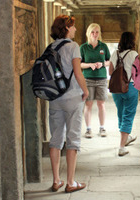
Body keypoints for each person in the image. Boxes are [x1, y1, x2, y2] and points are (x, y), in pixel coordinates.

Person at [49, 15, 89, 193]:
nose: (75, 29)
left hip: (55, 97)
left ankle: (56, 180)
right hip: (72, 97)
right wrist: (85, 90)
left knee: (56, 139)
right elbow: (78, 72)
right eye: (72, 27)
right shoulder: (73, 46)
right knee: (73, 140)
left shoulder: (51, 47)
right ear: (66, 28)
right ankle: (71, 182)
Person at [109, 32, 138, 156]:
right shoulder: (134, 54)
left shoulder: (114, 54)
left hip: (116, 88)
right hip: (130, 87)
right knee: (128, 115)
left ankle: (127, 137)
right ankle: (122, 147)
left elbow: (110, 72)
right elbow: (138, 75)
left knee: (121, 113)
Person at [80, 23, 110, 138]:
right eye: (93, 32)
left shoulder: (103, 46)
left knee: (101, 104)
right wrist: (90, 65)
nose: (95, 34)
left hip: (101, 78)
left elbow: (109, 61)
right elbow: (79, 64)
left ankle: (102, 128)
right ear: (89, 33)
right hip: (88, 79)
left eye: (97, 32)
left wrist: (101, 64)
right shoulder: (83, 47)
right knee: (88, 104)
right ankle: (88, 129)